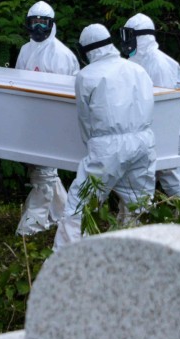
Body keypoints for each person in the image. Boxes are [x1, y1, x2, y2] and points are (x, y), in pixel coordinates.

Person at [53, 24, 156, 249]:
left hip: (108, 145)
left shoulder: (86, 75)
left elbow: (84, 119)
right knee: (136, 200)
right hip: (144, 142)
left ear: (85, 50)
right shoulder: (137, 69)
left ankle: (66, 255)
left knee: (79, 202)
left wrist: (92, 147)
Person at [120, 13, 180, 221]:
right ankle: (134, 223)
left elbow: (163, 106)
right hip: (161, 127)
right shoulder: (140, 62)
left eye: (130, 36)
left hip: (175, 127)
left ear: (141, 37)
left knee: (173, 177)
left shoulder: (159, 64)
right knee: (140, 177)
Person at [14, 0, 80, 236]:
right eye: (34, 22)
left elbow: (68, 95)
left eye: (44, 23)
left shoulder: (61, 55)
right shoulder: (25, 50)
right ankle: (65, 213)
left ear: (51, 24)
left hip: (53, 121)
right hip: (31, 119)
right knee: (40, 170)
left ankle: (32, 226)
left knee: (44, 173)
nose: (39, 28)